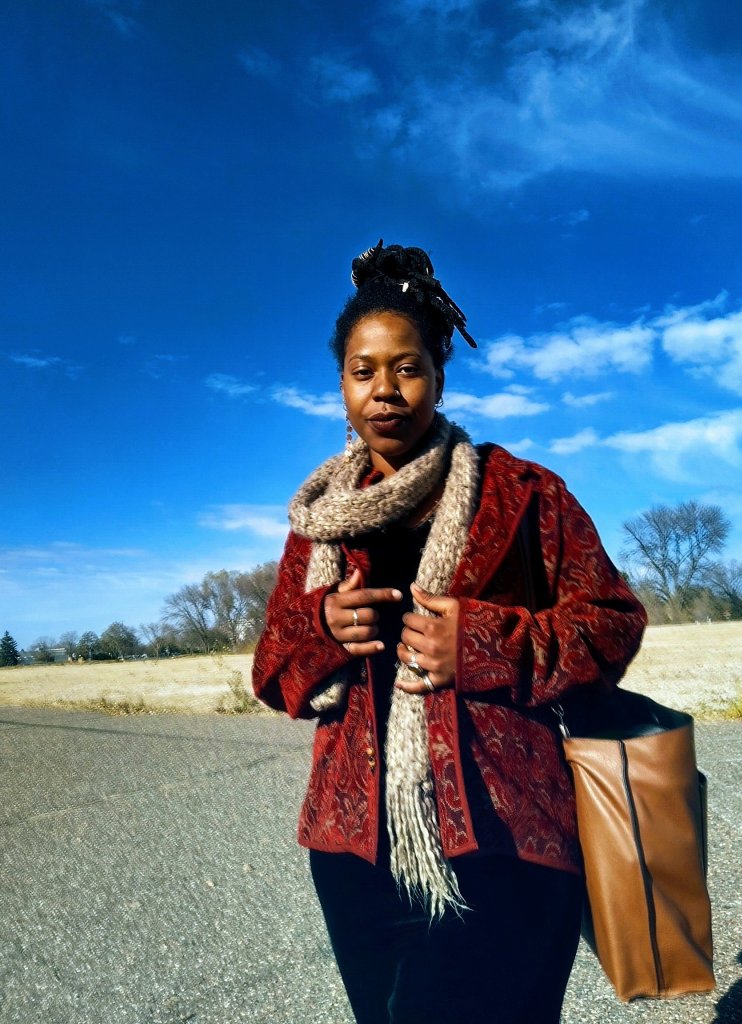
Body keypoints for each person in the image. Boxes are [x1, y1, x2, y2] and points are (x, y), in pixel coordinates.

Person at [252, 241, 647, 1024]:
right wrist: (321, 631)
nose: (385, 391)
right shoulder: (319, 523)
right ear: (341, 386)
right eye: (363, 372)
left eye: (406, 368)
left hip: (504, 840)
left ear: (438, 374)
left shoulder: (524, 492)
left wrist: (482, 643)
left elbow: (611, 620)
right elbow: (271, 669)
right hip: (353, 850)